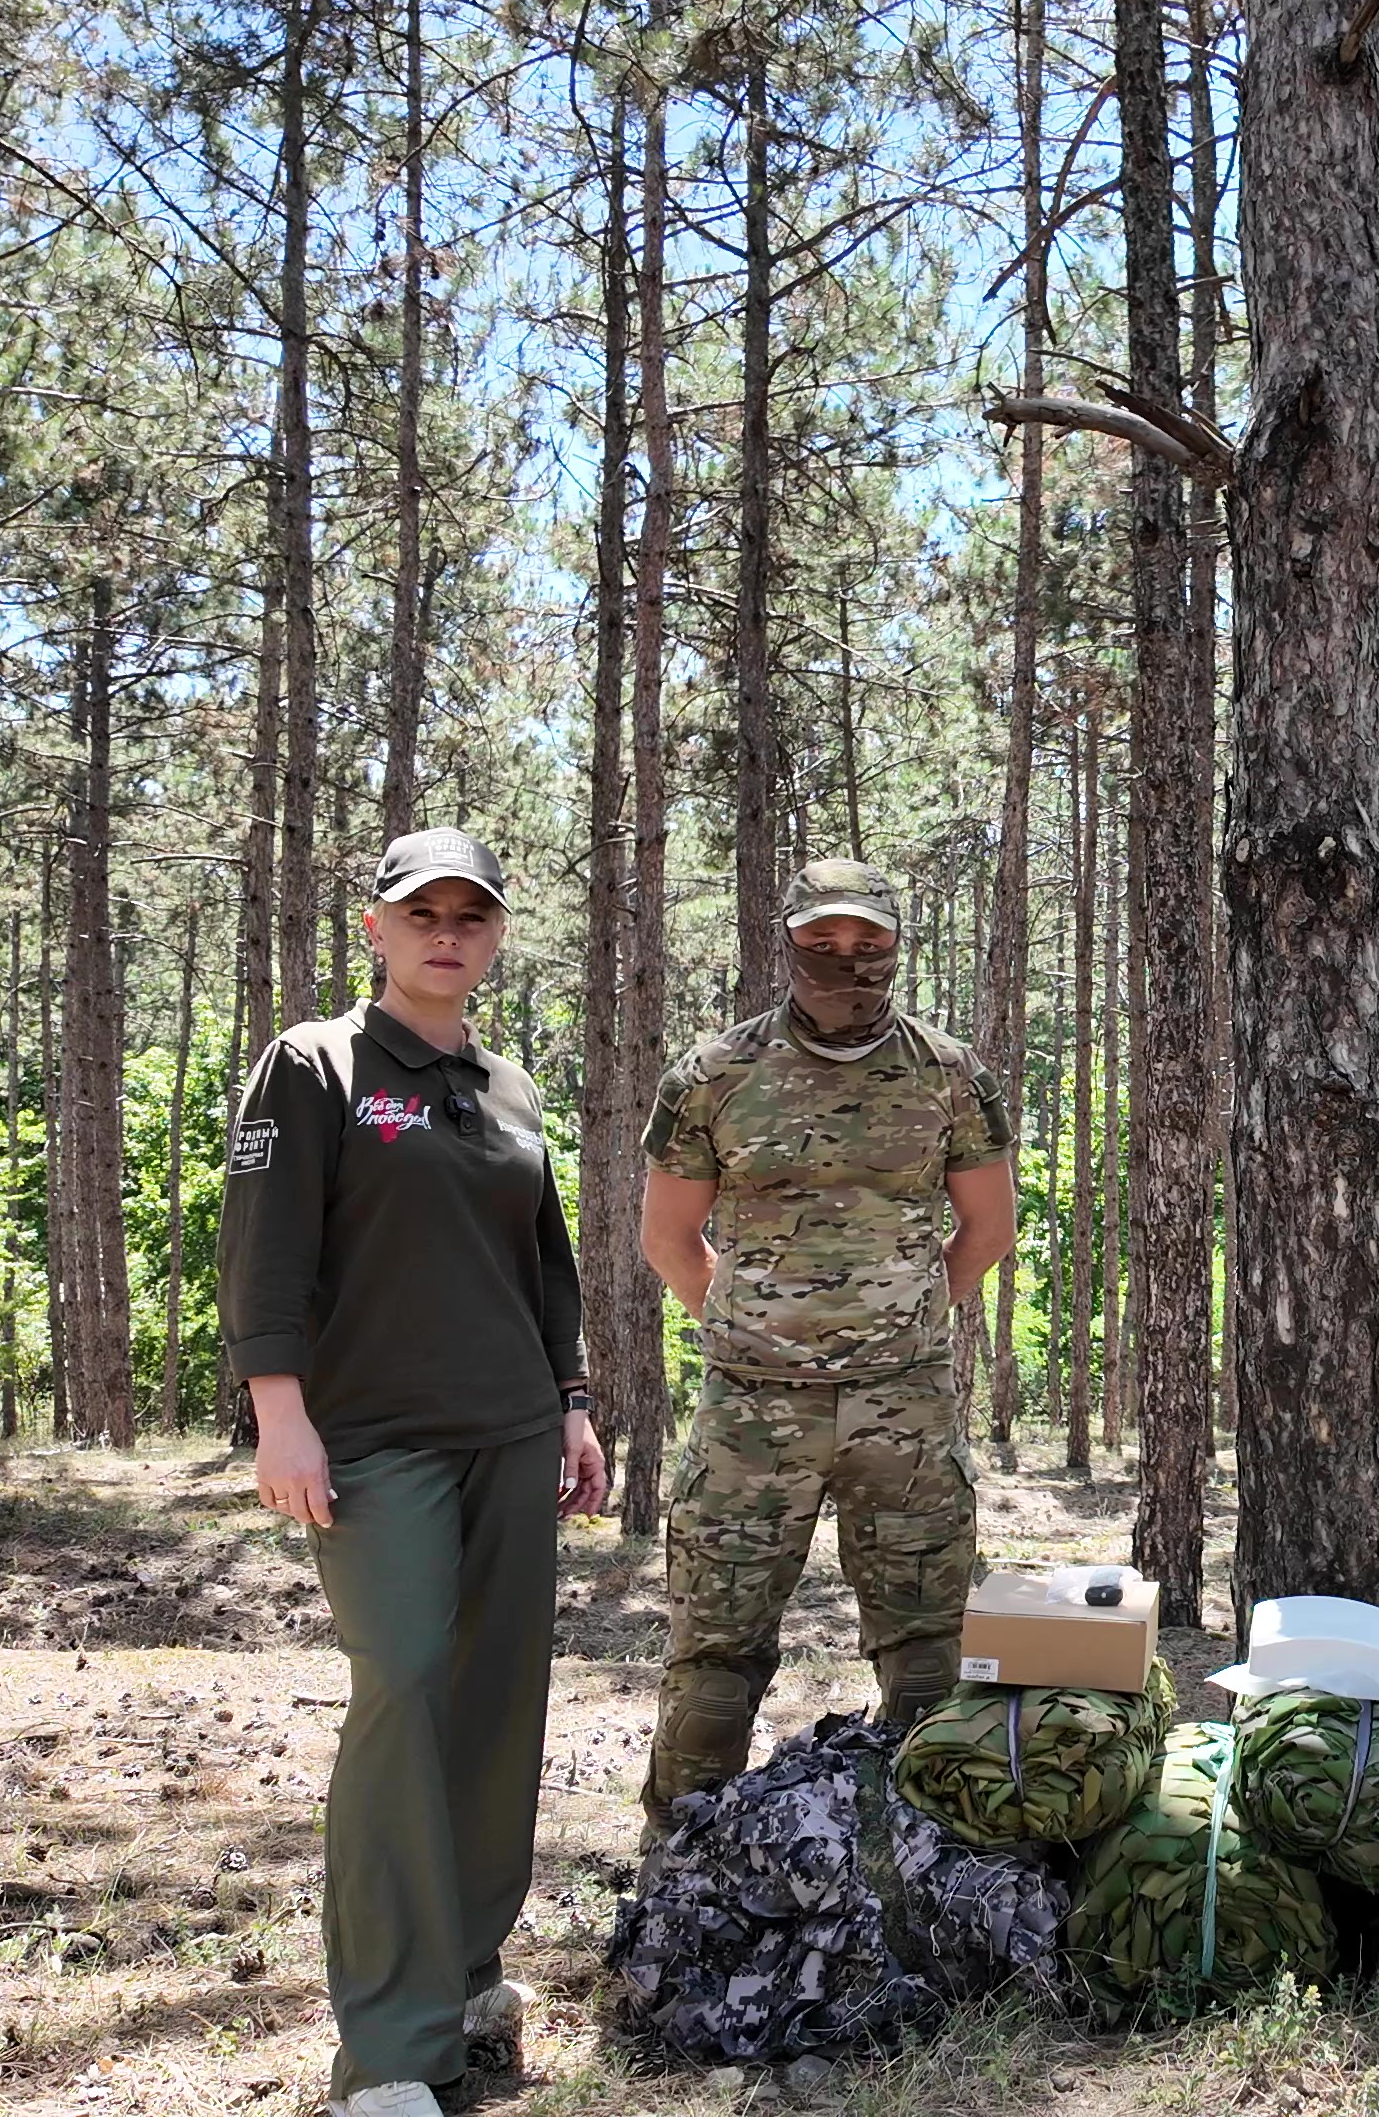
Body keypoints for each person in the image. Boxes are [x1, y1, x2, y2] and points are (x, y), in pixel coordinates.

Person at [218, 829, 611, 2117]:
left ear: (495, 936)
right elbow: (266, 1251)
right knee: (400, 1688)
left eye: (472, 915)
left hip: (510, 1436)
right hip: (374, 1440)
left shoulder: (510, 1088)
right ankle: (390, 2055)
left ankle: (466, 1977)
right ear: (377, 928)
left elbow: (541, 1264)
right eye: (421, 911)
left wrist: (570, 1403)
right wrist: (281, 1412)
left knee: (498, 1703)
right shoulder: (316, 1065)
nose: (448, 931)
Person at [636, 858, 1018, 1836]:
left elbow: (986, 1229)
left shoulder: (949, 1074)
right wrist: (753, 1328)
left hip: (907, 1408)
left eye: (867, 945)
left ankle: (931, 1870)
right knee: (716, 1651)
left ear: (896, 948)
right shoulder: (714, 1074)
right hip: (749, 1417)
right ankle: (678, 1869)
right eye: (821, 943)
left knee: (929, 1648)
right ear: (788, 943)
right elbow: (669, 1239)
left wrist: (908, 1321)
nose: (844, 961)